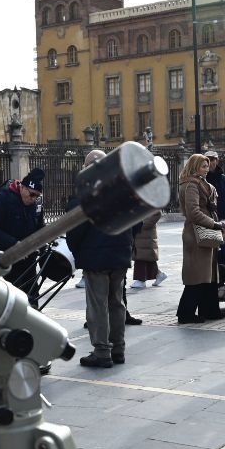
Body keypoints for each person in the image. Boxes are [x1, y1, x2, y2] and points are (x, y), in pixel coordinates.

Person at [67, 149, 137, 367]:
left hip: (95, 255)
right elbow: (138, 221)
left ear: (87, 166)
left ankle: (101, 351)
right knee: (116, 303)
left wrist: (78, 252)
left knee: (98, 305)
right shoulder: (122, 188)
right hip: (119, 254)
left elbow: (74, 229)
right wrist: (127, 243)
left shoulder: (84, 191)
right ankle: (118, 349)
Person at [176, 154, 225, 323]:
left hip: (205, 230)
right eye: (203, 166)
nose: (207, 169)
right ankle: (186, 313)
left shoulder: (202, 183)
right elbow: (193, 212)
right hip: (196, 232)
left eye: (207, 166)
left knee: (208, 274)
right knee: (197, 275)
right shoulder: (191, 184)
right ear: (194, 166)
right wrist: (215, 224)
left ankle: (209, 309)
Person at [0, 168, 45, 292]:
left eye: (37, 195)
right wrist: (15, 244)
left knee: (31, 299)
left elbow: (40, 227)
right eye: (32, 194)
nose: (34, 199)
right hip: (6, 259)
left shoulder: (37, 204)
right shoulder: (3, 197)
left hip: (28, 261)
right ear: (22, 188)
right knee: (6, 302)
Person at [130, 211, 161, 288]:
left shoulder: (152, 199)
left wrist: (142, 225)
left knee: (140, 255)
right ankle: (159, 274)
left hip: (145, 232)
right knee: (145, 255)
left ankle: (140, 280)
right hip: (141, 232)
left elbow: (157, 213)